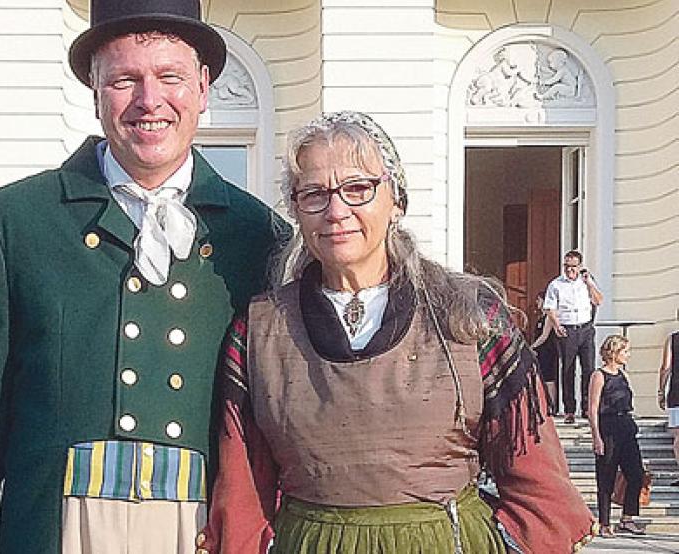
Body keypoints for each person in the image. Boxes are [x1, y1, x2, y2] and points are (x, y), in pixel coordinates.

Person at [0, 1, 289, 551]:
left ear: (202, 87)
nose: (150, 101)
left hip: (202, 533)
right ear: (95, 92)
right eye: (125, 80)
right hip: (53, 533)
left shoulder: (258, 237)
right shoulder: (16, 223)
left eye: (170, 77)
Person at [200, 111, 595, 554]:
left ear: (396, 201)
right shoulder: (259, 330)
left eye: (358, 189)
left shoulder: (468, 316)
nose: (336, 211)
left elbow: (537, 485)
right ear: (296, 210)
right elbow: (242, 497)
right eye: (314, 194)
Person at [589, 334, 645, 537]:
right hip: (608, 427)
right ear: (614, 352)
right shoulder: (599, 376)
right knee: (606, 477)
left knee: (636, 474)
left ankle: (627, 518)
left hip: (626, 426)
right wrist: (596, 437)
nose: (628, 355)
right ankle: (604, 523)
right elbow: (593, 408)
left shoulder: (623, 375)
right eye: (625, 351)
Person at [543, 249, 603, 424]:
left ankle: (587, 407)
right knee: (568, 370)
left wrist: (589, 283)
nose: (569, 270)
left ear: (580, 266)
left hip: (585, 329)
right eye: (566, 266)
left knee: (588, 369)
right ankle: (569, 409)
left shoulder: (587, 283)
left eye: (573, 266)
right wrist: (556, 325)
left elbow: (599, 300)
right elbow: (550, 308)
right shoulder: (556, 285)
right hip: (567, 329)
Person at [530, 290, 560, 416]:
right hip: (540, 351)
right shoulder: (540, 317)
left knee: (549, 378)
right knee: (542, 377)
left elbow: (544, 336)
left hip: (548, 350)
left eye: (539, 300)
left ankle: (552, 405)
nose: (537, 302)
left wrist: (531, 347)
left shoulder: (549, 317)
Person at [658, 330, 679, 486]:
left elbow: (666, 368)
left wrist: (661, 391)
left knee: (678, 436)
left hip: (677, 392)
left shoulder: (672, 339)